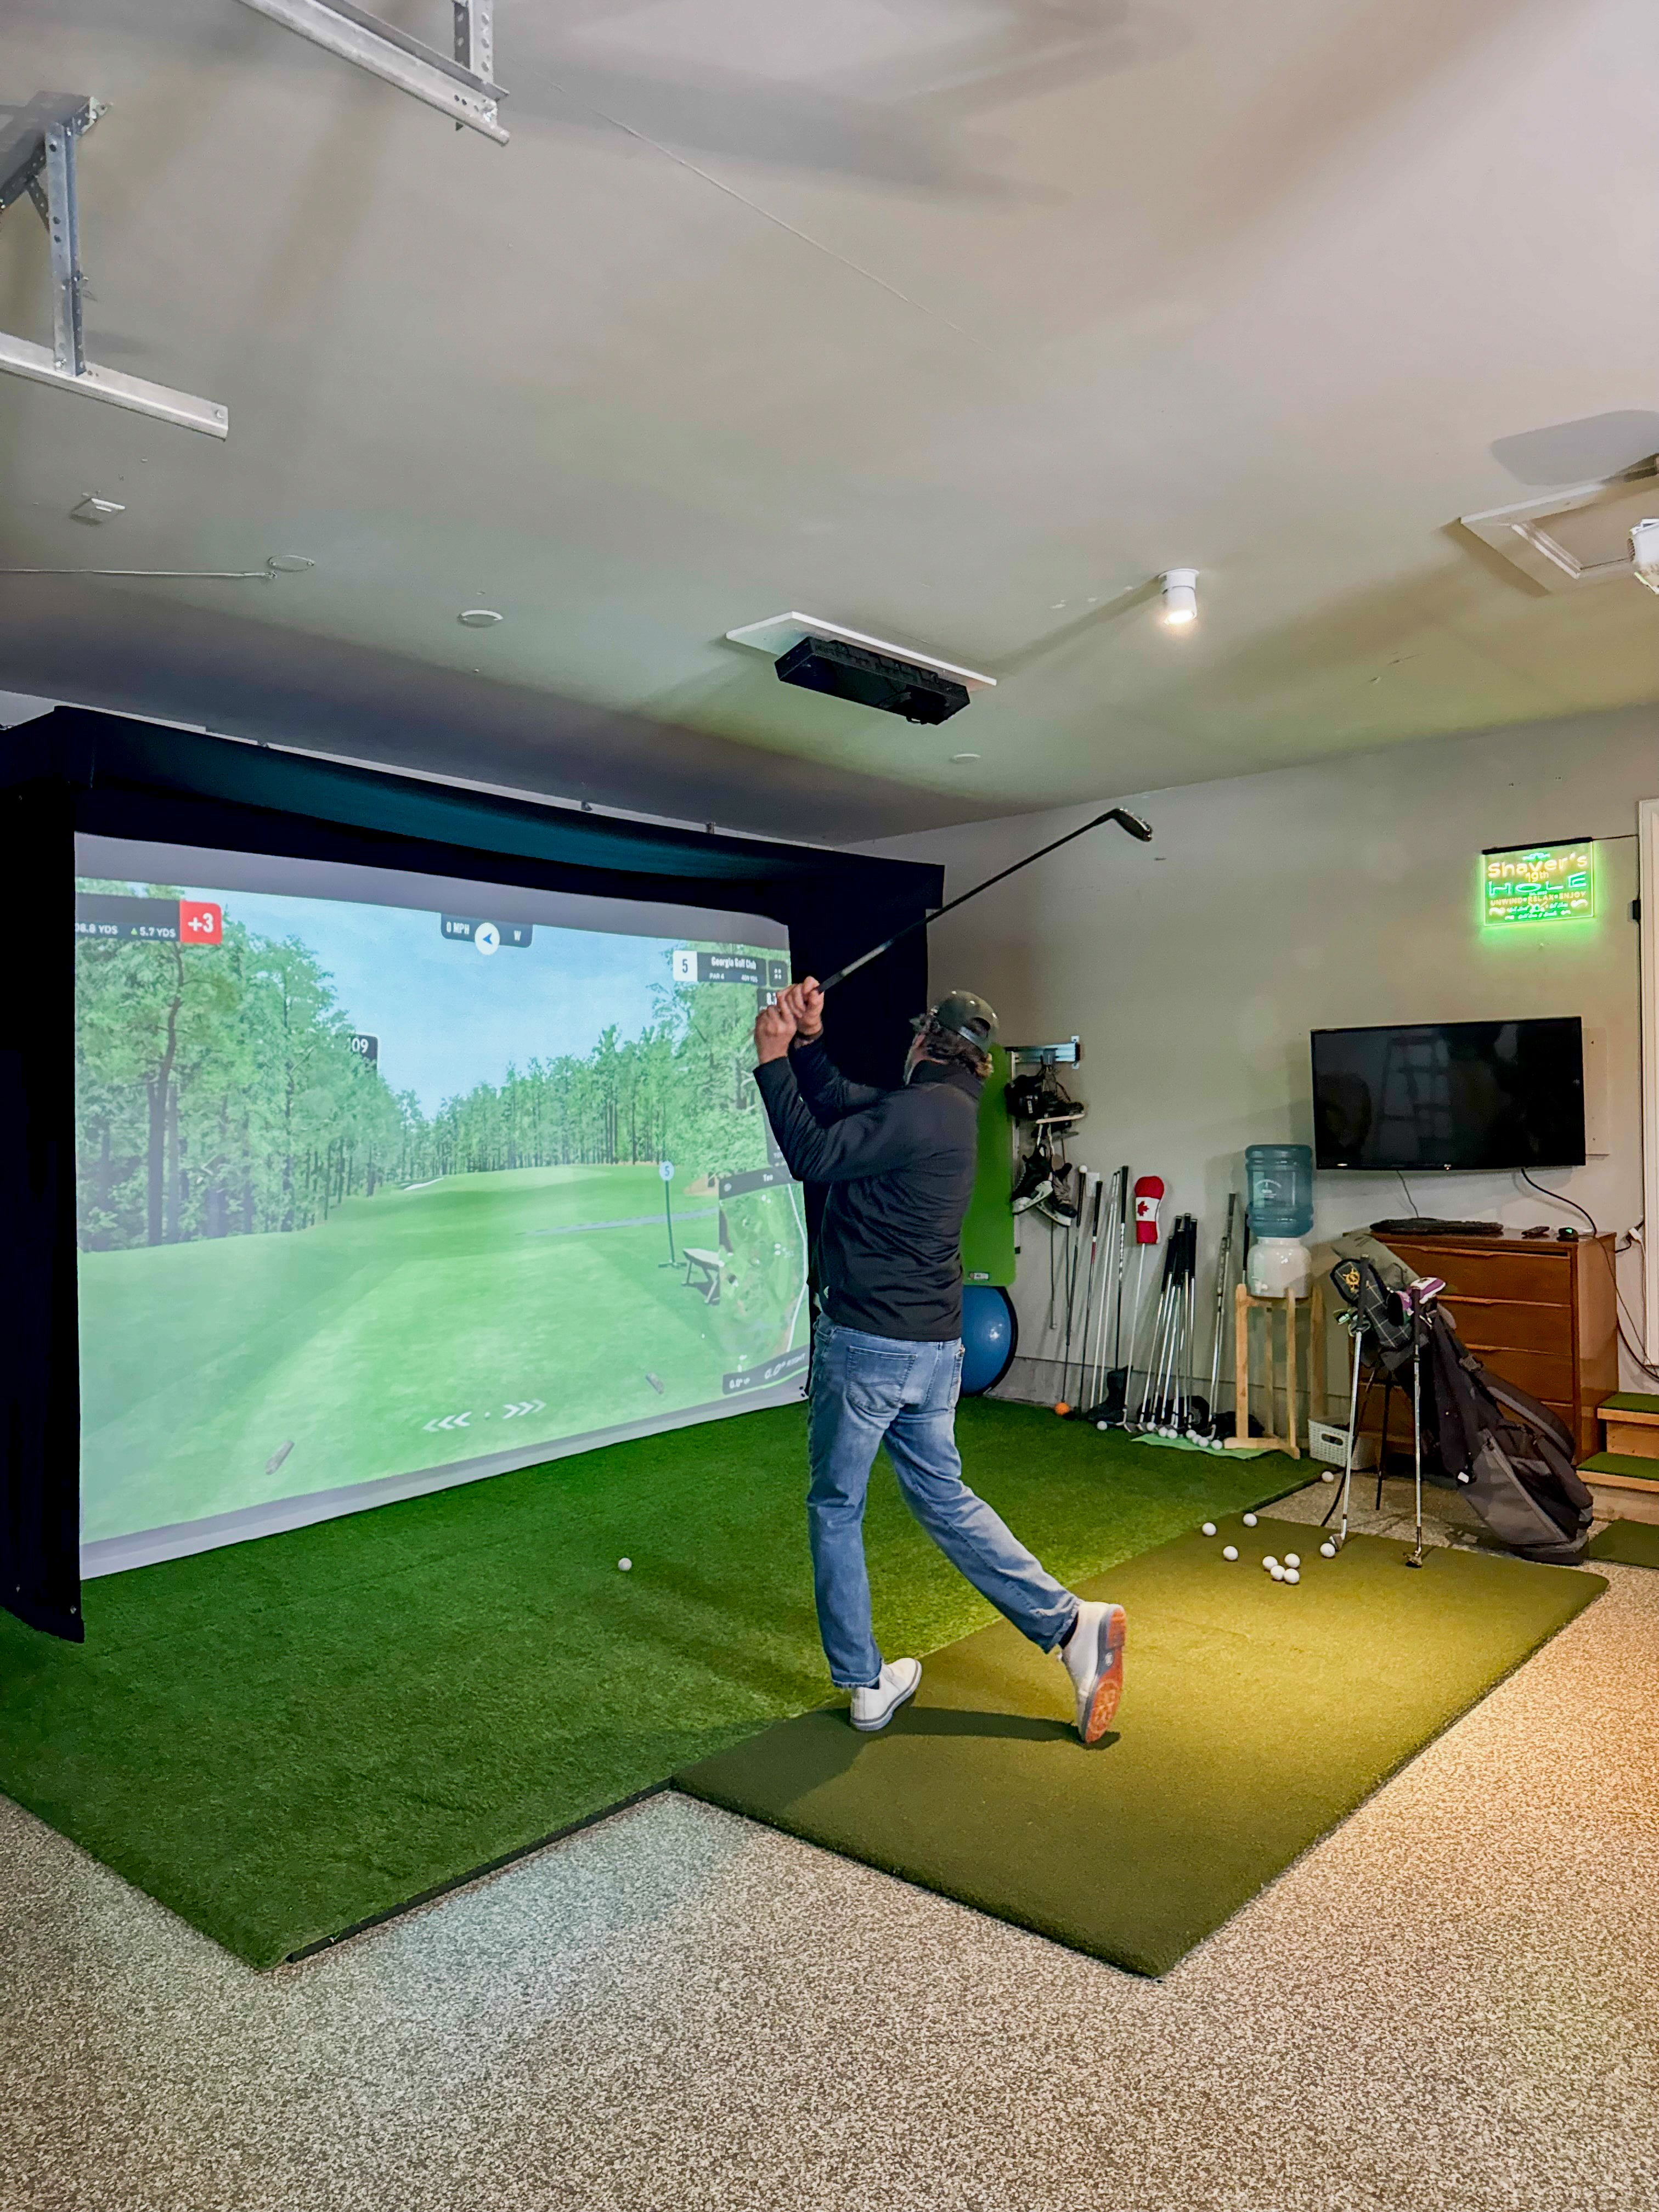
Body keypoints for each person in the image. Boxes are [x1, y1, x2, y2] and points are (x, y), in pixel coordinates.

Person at [751, 976, 1125, 1744]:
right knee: (945, 1501)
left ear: (924, 1042)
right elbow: (853, 1100)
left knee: (835, 1508)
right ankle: (1067, 1625)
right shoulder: (946, 1111)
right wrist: (812, 1045)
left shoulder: (917, 1111)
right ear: (978, 1061)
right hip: (931, 1352)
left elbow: (814, 1153)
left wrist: (771, 1059)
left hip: (867, 1350)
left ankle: (863, 1684)